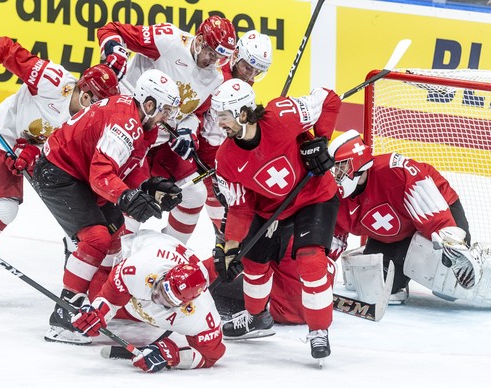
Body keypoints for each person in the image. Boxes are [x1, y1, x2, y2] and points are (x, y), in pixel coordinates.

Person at [0, 36, 120, 309]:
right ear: (85, 94)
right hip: (3, 138)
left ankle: (74, 290)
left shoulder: (90, 121)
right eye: (98, 106)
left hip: (43, 156)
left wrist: (34, 156)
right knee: (3, 208)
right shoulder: (52, 81)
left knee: (80, 225)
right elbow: (5, 49)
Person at [32, 69, 183, 344]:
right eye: (166, 111)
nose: (168, 119)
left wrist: (149, 187)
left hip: (79, 173)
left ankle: (98, 301)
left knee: (116, 237)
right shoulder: (125, 124)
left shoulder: (142, 124)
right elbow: (101, 176)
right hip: (57, 172)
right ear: (149, 105)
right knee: (95, 238)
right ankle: (64, 315)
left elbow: (126, 167)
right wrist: (126, 197)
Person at [210, 79, 342, 362]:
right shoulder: (226, 158)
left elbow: (329, 98)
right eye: (217, 116)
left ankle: (319, 330)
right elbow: (240, 207)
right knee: (253, 264)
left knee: (310, 259)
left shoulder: (283, 114)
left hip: (314, 195)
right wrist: (231, 248)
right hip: (271, 209)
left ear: (244, 113)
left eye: (224, 116)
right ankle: (257, 318)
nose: (219, 123)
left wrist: (321, 141)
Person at [97, 15, 236, 244]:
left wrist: (187, 131)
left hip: (160, 142)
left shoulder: (215, 78)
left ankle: (171, 249)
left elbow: (196, 113)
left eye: (221, 57)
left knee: (195, 194)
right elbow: (111, 29)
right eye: (211, 52)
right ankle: (113, 255)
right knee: (133, 203)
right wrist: (114, 51)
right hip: (127, 131)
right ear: (200, 40)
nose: (213, 60)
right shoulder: (168, 40)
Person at [327, 130, 486, 305]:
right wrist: (318, 273)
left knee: (447, 275)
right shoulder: (336, 196)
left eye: (342, 167)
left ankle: (478, 257)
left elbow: (430, 207)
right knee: (380, 287)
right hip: (395, 234)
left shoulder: (393, 170)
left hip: (439, 208)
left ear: (358, 164)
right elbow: (333, 236)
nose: (337, 175)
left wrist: (450, 241)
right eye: (336, 168)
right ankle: (378, 262)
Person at [71, 230, 225, 373]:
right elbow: (110, 297)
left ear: (184, 305)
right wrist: (97, 312)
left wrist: (172, 355)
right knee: (97, 284)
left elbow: (209, 357)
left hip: (145, 285)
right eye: (162, 290)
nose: (157, 298)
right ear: (165, 275)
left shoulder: (200, 316)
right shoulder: (139, 267)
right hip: (137, 245)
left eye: (167, 300)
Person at [199, 30, 273, 243]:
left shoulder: (244, 86)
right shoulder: (215, 79)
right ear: (235, 56)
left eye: (257, 72)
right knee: (226, 224)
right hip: (206, 163)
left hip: (224, 164)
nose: (250, 76)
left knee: (231, 225)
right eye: (248, 67)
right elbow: (194, 118)